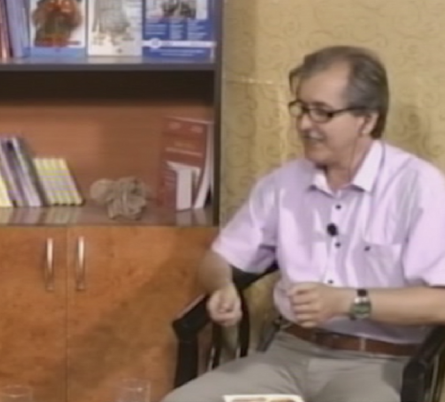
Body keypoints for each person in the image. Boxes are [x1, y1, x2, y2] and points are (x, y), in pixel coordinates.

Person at [162, 45, 445, 402]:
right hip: (287, 356)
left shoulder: (418, 187)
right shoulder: (283, 184)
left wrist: (349, 302)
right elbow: (218, 260)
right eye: (301, 108)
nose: (305, 124)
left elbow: (440, 303)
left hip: (378, 363)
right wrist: (222, 286)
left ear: (367, 120)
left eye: (322, 112)